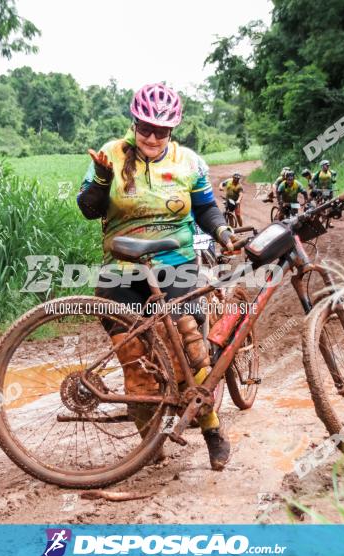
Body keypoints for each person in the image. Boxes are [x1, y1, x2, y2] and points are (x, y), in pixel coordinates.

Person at [76, 82, 233, 471]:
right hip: (120, 271)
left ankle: (212, 429)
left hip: (175, 264)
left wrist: (222, 233)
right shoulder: (111, 153)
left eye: (161, 131)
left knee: (192, 352)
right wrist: (99, 178)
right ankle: (151, 443)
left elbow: (206, 209)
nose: (151, 136)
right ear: (134, 121)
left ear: (173, 131)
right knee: (135, 359)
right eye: (144, 127)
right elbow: (88, 209)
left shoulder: (189, 162)